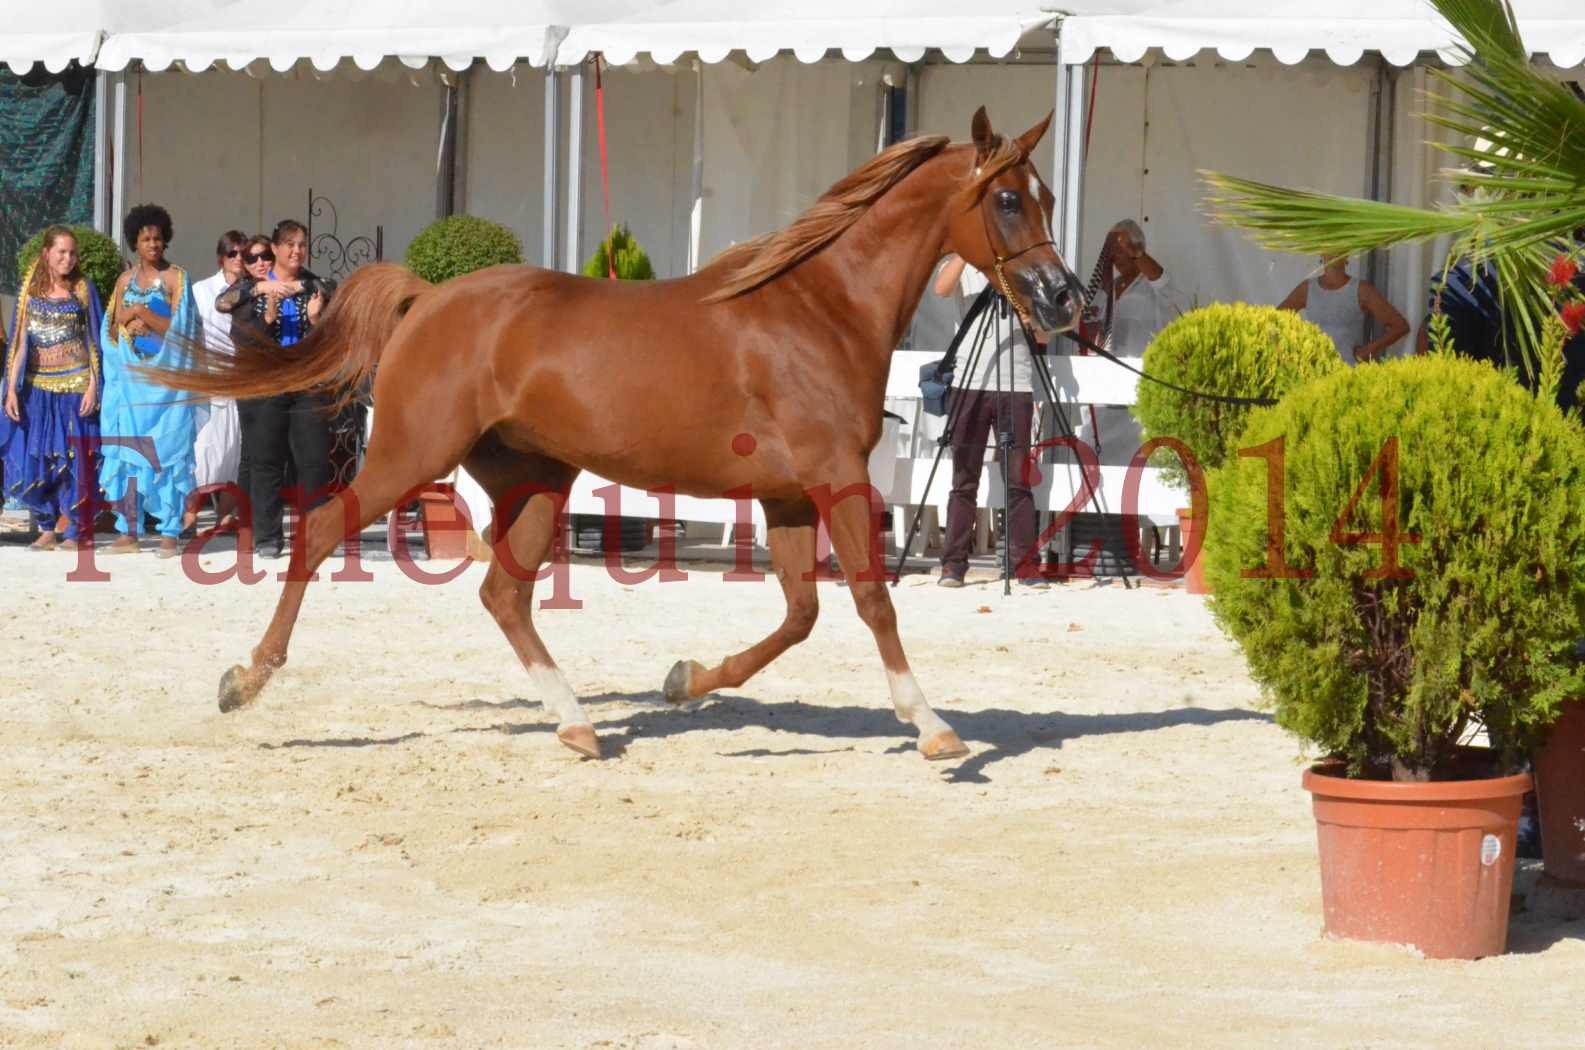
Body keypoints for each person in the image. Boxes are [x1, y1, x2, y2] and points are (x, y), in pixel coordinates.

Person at [932, 254, 1045, 589]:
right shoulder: (965, 261)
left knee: (1018, 480)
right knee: (964, 479)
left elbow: (1044, 338)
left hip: (1017, 383)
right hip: (969, 381)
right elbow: (941, 288)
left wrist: (1032, 320)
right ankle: (953, 565)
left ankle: (1025, 566)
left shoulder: (1028, 268)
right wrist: (971, 252)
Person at [219, 219, 330, 558]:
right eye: (290, 245)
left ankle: (313, 535)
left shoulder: (317, 287)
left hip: (307, 380)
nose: (297, 251)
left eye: (301, 245)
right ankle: (267, 536)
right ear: (277, 249)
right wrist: (264, 314)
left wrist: (315, 321)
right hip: (266, 382)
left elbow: (337, 327)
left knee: (312, 459)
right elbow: (236, 329)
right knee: (267, 460)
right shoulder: (253, 288)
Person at [98, 204, 204, 558]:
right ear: (134, 242)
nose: (153, 244)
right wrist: (126, 321)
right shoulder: (124, 282)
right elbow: (111, 330)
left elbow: (183, 330)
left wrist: (142, 313)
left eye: (158, 238)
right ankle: (128, 531)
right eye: (146, 239)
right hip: (130, 385)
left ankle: (170, 532)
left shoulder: (176, 278)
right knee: (129, 454)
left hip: (166, 385)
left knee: (169, 454)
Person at [0, 226, 103, 550]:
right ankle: (46, 527)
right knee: (39, 459)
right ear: (47, 253)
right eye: (62, 252)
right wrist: (12, 391)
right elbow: (18, 344)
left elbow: (96, 342)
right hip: (37, 391)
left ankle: (74, 530)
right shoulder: (29, 292)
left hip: (75, 389)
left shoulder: (84, 290)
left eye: (72, 253)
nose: (68, 258)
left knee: (75, 461)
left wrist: (93, 387)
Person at [1075, 220, 1174, 465]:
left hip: (1137, 396)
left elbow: (1163, 281)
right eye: (1112, 248)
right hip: (1103, 394)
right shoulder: (1105, 290)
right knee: (1091, 454)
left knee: (1139, 466)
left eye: (1121, 248)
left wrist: (1136, 252)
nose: (1115, 255)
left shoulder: (1152, 289)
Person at [192, 230, 248, 530]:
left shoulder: (253, 289)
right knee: (204, 450)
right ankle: (188, 515)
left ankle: (225, 515)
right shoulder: (201, 291)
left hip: (242, 380)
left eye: (243, 253)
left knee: (236, 449)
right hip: (209, 379)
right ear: (221, 258)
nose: (239, 259)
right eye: (233, 253)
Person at [1279, 254, 1408, 365]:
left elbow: (1400, 326)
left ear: (1347, 254)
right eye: (1328, 245)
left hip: (1347, 373)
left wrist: (1369, 350)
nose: (1333, 251)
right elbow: (1274, 320)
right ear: (1321, 251)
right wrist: (1295, 347)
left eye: (1339, 247)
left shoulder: (1361, 290)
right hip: (1314, 372)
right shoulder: (1307, 288)